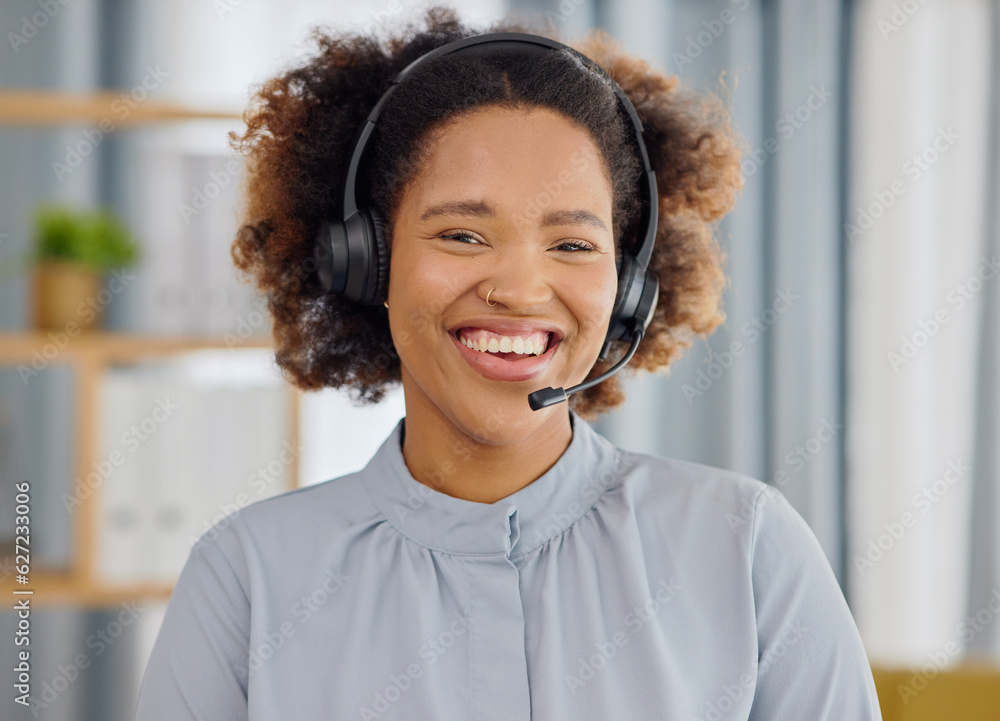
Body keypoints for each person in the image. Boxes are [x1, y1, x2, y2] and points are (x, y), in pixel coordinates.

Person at [134, 5, 883, 720]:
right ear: (365, 261)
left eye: (572, 244)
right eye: (461, 234)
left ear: (627, 291)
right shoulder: (247, 579)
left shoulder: (746, 549)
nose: (520, 290)